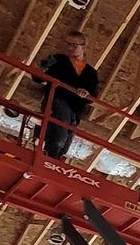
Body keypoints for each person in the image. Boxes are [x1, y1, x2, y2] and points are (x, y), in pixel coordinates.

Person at [34, 30, 101, 158]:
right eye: (68, 44)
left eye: (74, 45)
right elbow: (39, 77)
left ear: (83, 47)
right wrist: (41, 70)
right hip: (57, 100)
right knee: (59, 133)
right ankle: (50, 158)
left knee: (67, 138)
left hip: (76, 110)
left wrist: (86, 94)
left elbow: (93, 95)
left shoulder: (91, 72)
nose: (70, 48)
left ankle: (56, 159)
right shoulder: (57, 59)